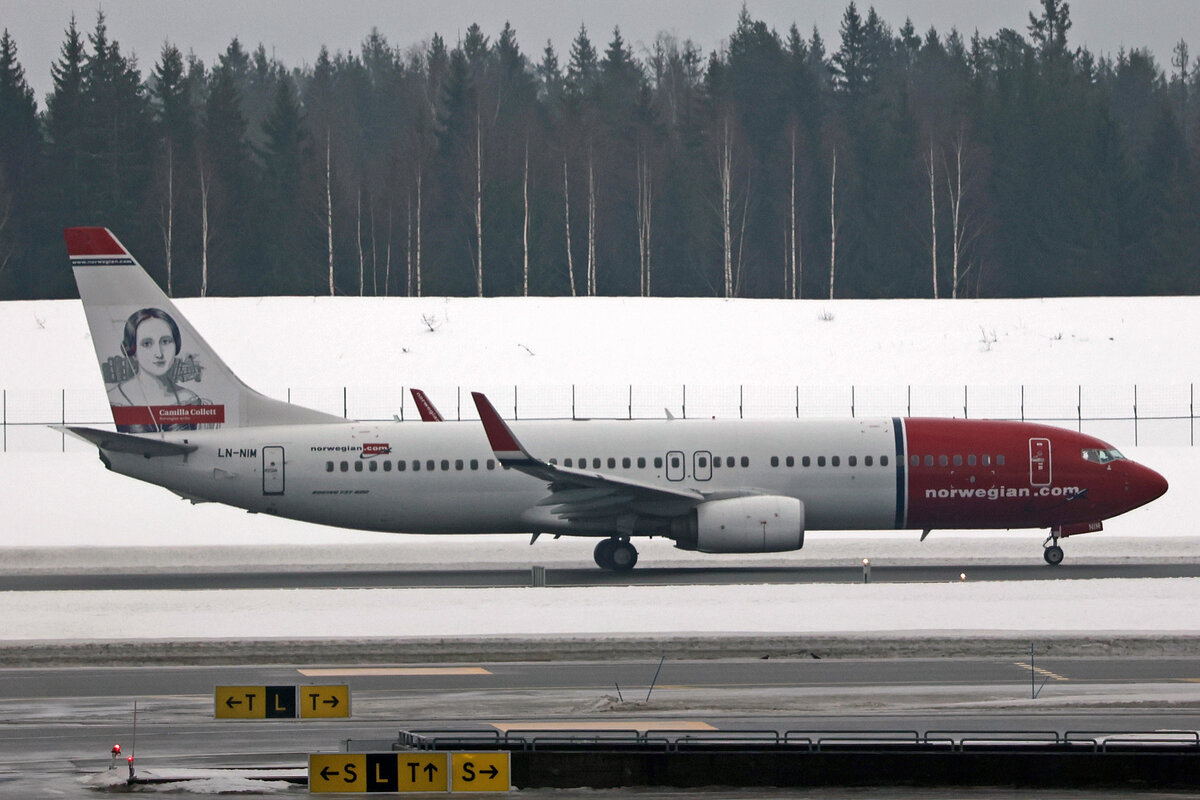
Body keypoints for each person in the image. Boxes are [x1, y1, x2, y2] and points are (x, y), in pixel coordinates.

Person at [107, 307, 209, 431]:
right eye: (147, 344)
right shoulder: (116, 400)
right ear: (132, 351)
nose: (159, 353)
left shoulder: (189, 399)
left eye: (165, 341)